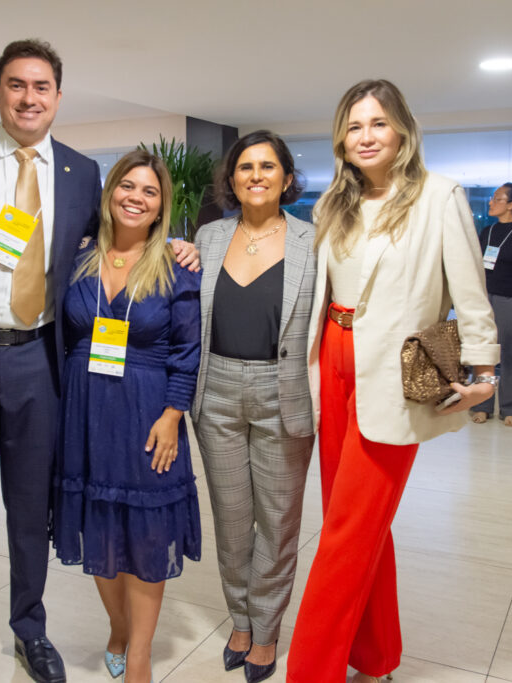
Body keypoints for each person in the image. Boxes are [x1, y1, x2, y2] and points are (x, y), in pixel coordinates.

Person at [0, 40, 196, 683]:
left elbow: (117, 238)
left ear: (59, 96)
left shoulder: (81, 173)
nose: (29, 98)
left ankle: (31, 630)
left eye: (41, 87)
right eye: (16, 85)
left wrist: (174, 244)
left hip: (41, 367)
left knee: (33, 512)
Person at [286, 80, 499, 683]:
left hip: (396, 370)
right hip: (332, 355)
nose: (366, 136)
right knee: (354, 524)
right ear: (341, 139)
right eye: (354, 127)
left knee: (348, 530)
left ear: (402, 129)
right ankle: (376, 655)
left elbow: (468, 289)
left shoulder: (439, 196)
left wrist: (484, 368)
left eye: (377, 123)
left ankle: (310, 672)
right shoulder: (334, 203)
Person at [53, 150, 202, 683]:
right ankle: (117, 625)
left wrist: (173, 413)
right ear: (110, 191)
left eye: (150, 191)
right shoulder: (77, 258)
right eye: (127, 186)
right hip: (84, 412)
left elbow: (188, 348)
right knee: (100, 528)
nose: (136, 198)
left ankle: (138, 652)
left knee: (144, 532)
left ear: (162, 208)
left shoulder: (177, 266)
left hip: (146, 412)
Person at [191, 131, 316, 683]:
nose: (256, 175)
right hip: (214, 391)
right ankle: (238, 620)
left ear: (287, 179)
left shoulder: (316, 241)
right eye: (246, 166)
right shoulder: (209, 236)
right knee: (233, 519)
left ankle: (264, 629)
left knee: (279, 521)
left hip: (283, 392)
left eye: (268, 166)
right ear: (233, 178)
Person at [470, 182, 512, 427]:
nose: (490, 203)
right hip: (486, 300)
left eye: (497, 199)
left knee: (511, 355)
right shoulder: (488, 231)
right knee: (484, 355)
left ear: (511, 205)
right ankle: (481, 405)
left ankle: (511, 408)